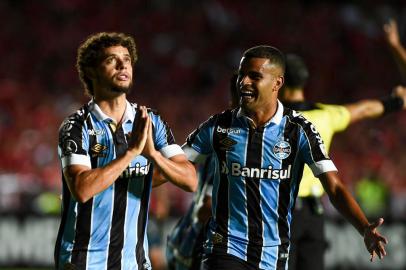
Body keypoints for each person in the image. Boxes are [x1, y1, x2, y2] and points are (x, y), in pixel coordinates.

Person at [182, 45, 388, 270]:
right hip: (223, 248)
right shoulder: (219, 125)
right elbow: (176, 164)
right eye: (242, 75)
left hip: (272, 255)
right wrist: (143, 168)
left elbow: (335, 187)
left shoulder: (300, 129)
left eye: (254, 76)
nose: (244, 82)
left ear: (277, 83)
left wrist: (364, 228)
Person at [54, 32, 197, 270]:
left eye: (127, 59)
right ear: (91, 71)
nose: (123, 65)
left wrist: (152, 155)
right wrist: (131, 154)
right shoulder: (77, 125)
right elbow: (81, 189)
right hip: (84, 261)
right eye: (112, 60)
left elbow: (190, 180)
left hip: (135, 262)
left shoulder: (151, 121)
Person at [279, 53, 406, 270]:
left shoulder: (272, 120)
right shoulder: (326, 114)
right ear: (304, 81)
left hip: (281, 210)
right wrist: (395, 101)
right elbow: (365, 109)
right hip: (314, 214)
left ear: (279, 82)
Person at [166, 74, 239, 270]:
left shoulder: (217, 135)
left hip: (184, 241)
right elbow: (206, 209)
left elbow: (172, 165)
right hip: (202, 248)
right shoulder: (230, 147)